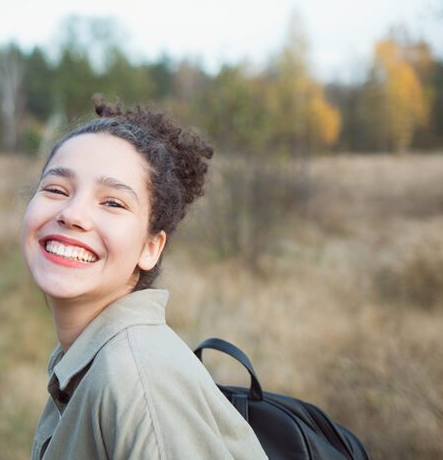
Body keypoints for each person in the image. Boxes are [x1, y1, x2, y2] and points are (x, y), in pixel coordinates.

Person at [21, 96, 268, 459]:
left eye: (113, 202)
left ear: (150, 248)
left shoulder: (134, 379)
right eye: (56, 189)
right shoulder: (90, 361)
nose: (72, 214)